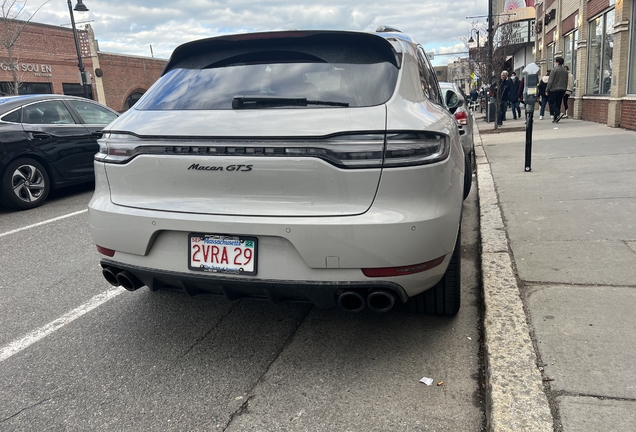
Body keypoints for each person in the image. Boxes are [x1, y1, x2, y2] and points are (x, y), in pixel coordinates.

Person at [546, 56, 568, 123]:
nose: (554, 63)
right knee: (558, 103)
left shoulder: (554, 70)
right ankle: (555, 118)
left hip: (554, 89)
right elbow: (566, 80)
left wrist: (547, 89)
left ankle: (558, 113)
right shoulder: (565, 71)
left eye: (555, 62)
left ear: (557, 62)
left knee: (550, 102)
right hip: (562, 89)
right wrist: (565, 89)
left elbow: (550, 80)